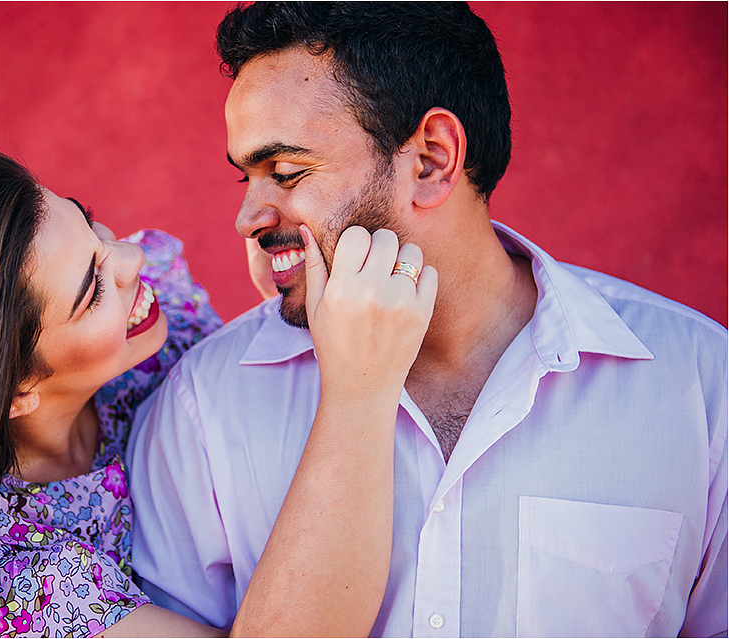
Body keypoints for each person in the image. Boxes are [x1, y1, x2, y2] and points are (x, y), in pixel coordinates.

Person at [126, 3, 728, 636]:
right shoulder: (202, 410)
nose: (248, 217)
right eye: (247, 177)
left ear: (433, 160)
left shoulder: (700, 386)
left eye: (286, 173)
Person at [0, 149, 436, 637]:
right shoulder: (18, 583)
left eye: (90, 224)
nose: (129, 259)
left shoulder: (146, 324)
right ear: (17, 388)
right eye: (91, 288)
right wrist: (359, 390)